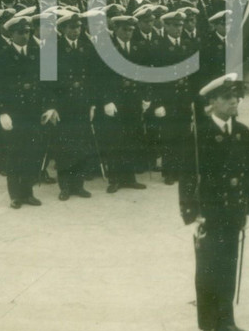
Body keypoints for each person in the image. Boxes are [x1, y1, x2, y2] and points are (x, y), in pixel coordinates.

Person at [179, 73, 249, 331]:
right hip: (209, 213)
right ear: (212, 102)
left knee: (228, 265)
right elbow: (187, 176)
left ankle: (227, 320)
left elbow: (247, 174)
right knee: (208, 269)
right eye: (227, 97)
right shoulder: (199, 133)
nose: (234, 101)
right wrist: (190, 214)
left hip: (233, 211)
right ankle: (207, 324)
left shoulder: (242, 132)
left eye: (235, 96)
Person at [0, 16, 48, 208]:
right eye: (20, 32)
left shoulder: (36, 53)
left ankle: (28, 192)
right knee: (14, 153)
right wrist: (2, 112)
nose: (25, 36)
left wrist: (46, 107)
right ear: (11, 34)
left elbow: (44, 84)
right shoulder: (2, 56)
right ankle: (15, 195)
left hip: (32, 111)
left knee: (32, 152)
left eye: (27, 32)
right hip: (13, 113)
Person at [93, 15, 150, 194]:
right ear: (115, 29)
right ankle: (115, 178)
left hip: (132, 100)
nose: (128, 33)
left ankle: (130, 177)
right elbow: (99, 78)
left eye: (131, 30)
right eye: (124, 29)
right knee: (115, 140)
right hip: (115, 101)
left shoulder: (137, 47)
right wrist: (106, 101)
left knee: (132, 138)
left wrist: (145, 97)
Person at [149, 10, 199, 185]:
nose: (179, 29)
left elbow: (194, 76)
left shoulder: (188, 44)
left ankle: (182, 170)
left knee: (184, 134)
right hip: (167, 98)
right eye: (175, 25)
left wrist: (194, 98)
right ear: (166, 26)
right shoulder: (157, 46)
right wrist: (157, 103)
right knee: (169, 135)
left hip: (184, 97)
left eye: (181, 25)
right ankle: (169, 171)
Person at [50, 13, 96, 200]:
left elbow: (94, 78)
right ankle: (65, 186)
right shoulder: (52, 49)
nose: (75, 31)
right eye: (71, 28)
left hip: (83, 104)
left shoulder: (87, 47)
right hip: (63, 106)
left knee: (82, 144)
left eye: (78, 27)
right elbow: (47, 82)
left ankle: (79, 185)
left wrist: (93, 103)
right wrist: (51, 106)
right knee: (64, 146)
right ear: (62, 29)